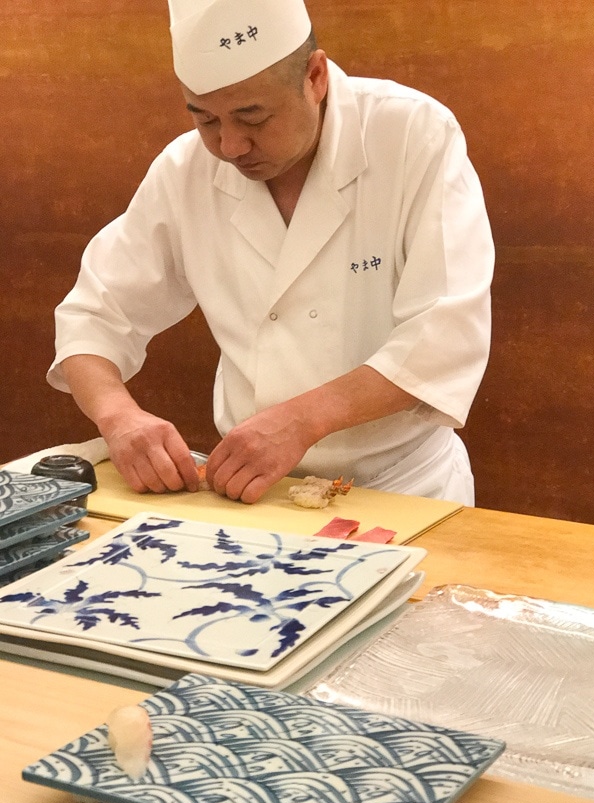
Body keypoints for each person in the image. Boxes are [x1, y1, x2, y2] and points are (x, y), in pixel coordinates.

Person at [48, 0, 494, 506]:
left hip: (402, 487)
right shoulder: (185, 170)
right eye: (205, 119)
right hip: (255, 493)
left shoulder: (412, 134)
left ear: (315, 76)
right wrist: (119, 417)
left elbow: (445, 332)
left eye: (252, 117)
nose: (231, 146)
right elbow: (94, 314)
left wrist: (304, 418)